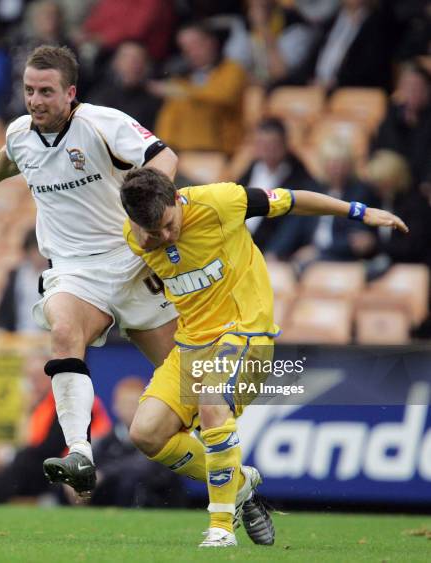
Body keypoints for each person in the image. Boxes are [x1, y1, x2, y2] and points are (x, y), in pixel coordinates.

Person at [119, 167, 407, 547]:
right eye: (153, 232)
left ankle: (221, 529)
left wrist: (356, 211)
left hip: (246, 334)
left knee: (211, 403)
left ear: (177, 198)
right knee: (146, 433)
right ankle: (240, 484)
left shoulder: (220, 202)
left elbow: (292, 199)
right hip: (191, 345)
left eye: (169, 225)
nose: (165, 236)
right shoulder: (134, 238)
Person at [0, 45, 179, 494]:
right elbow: (13, 159)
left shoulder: (102, 123)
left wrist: (149, 213)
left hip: (129, 262)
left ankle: (235, 477)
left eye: (46, 91)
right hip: (73, 270)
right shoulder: (20, 133)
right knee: (63, 332)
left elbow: (165, 158)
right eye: (29, 90)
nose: (35, 100)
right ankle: (80, 452)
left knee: (180, 374)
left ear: (70, 93)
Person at [0, 351, 112, 503]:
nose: (33, 383)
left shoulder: (69, 400)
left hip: (89, 462)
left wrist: (8, 455)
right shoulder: (43, 404)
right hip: (53, 464)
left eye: (38, 377)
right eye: (30, 378)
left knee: (21, 465)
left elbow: (52, 447)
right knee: (10, 468)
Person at [72, 376, 186, 508]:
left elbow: (144, 466)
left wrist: (103, 474)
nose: (129, 410)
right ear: (115, 406)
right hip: (112, 503)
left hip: (157, 502)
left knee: (130, 481)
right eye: (125, 404)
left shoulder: (159, 434)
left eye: (134, 404)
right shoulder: (108, 441)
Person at [266, 138, 378, 267]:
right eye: (333, 163)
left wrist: (320, 250)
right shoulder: (313, 189)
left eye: (342, 162)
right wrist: (274, 251)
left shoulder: (360, 192)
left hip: (342, 260)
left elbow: (360, 240)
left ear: (350, 164)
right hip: (309, 260)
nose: (338, 168)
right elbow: (293, 226)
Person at [151, 23, 247, 155]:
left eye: (195, 44)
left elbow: (224, 95)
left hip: (222, 151)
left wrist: (184, 92)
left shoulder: (232, 70)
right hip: (181, 153)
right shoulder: (182, 80)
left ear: (212, 42)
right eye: (185, 48)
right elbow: (169, 119)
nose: (191, 52)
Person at [238, 117, 317, 250]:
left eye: (272, 144)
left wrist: (275, 251)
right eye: (261, 144)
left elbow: (294, 224)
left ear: (284, 144)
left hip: (269, 247)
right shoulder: (253, 167)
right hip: (240, 240)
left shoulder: (298, 175)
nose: (267, 150)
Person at [223, 0, 316, 88]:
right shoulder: (243, 25)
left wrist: (264, 28)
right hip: (254, 94)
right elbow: (233, 70)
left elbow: (280, 72)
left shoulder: (294, 24)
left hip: (282, 97)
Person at [373, 61, 431, 187]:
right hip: (392, 180)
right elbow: (381, 148)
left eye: (417, 87)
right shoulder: (393, 112)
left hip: (420, 184)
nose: (412, 92)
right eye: (407, 87)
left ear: (427, 90)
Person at [87, 42, 161, 130]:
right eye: (126, 57)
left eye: (138, 58)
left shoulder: (156, 98)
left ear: (146, 65)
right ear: (115, 63)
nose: (132, 63)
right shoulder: (100, 95)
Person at [0, 229, 48, 332]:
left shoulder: (54, 276)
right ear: (27, 251)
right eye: (35, 250)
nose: (39, 255)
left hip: (44, 338)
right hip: (18, 335)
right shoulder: (16, 274)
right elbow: (5, 307)